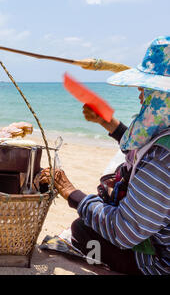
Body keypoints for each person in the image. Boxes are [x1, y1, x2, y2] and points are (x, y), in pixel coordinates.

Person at [40, 36, 170, 275]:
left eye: (147, 90)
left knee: (82, 229)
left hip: (161, 264)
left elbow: (124, 231)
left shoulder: (163, 159)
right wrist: (107, 122)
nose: (140, 95)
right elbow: (142, 152)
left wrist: (72, 193)